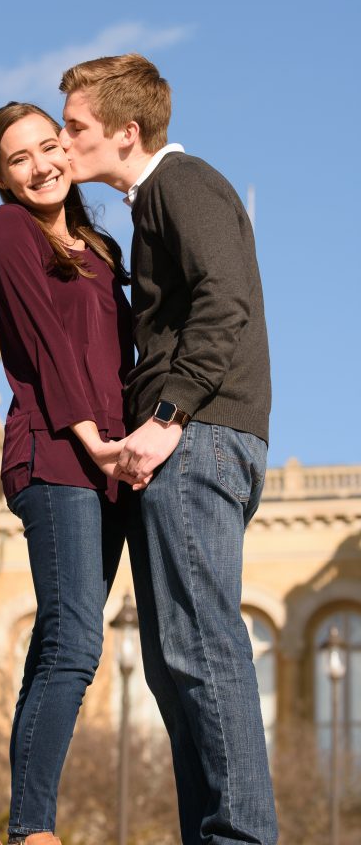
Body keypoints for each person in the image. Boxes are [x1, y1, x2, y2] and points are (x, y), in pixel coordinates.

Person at [58, 55, 278, 845]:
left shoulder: (181, 186)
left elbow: (227, 301)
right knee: (173, 661)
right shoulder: (152, 202)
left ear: (126, 131)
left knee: (201, 646)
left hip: (200, 441)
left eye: (75, 126)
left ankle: (239, 838)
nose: (63, 139)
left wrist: (168, 415)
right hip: (194, 444)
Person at [0, 102, 139, 845]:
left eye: (50, 146)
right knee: (76, 642)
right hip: (55, 452)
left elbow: (123, 359)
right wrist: (90, 437)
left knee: (59, 641)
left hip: (109, 461)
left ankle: (27, 820)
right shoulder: (10, 229)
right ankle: (33, 830)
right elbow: (45, 343)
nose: (41, 164)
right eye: (20, 158)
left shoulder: (103, 248)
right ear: (2, 177)